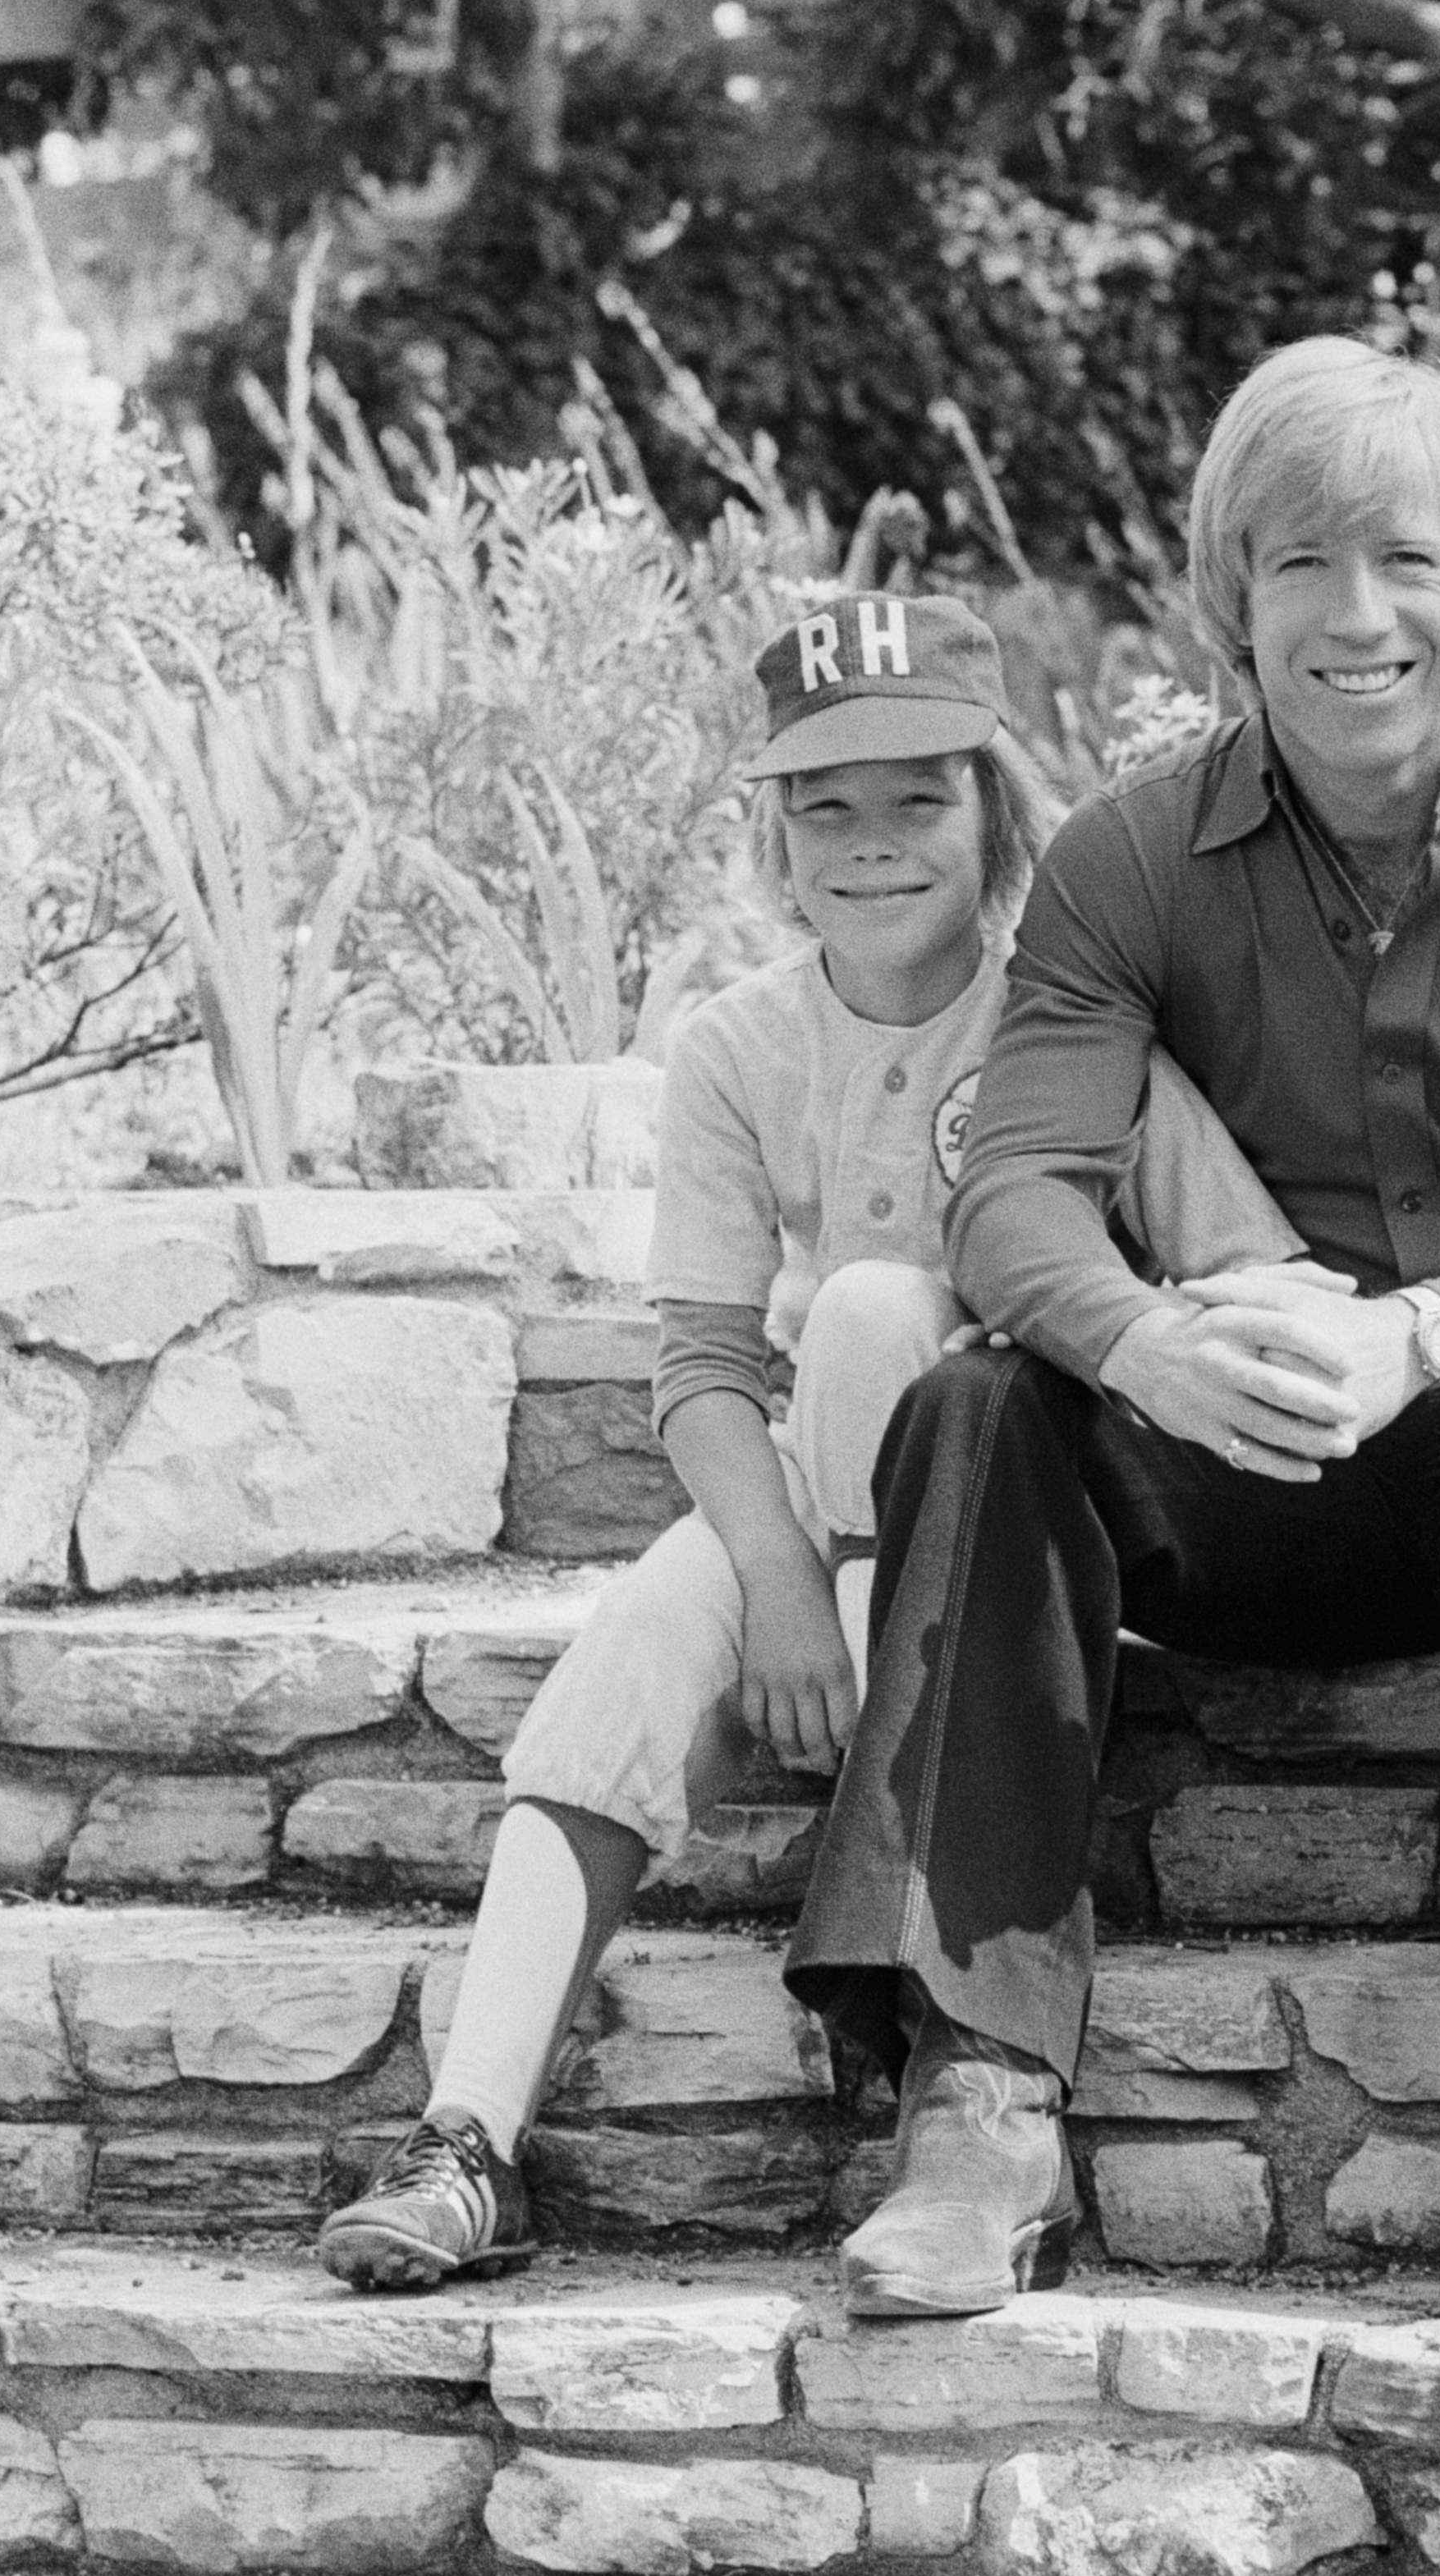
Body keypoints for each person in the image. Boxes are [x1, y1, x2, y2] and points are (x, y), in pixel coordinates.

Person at [784, 334, 1440, 2335]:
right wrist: (1139, 1344)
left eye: (1401, 557)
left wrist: (1432, 1338)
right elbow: (1017, 1191)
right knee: (977, 1406)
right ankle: (976, 2097)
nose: (1356, 615)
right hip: (1218, 1469)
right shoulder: (1125, 859)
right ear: (1229, 597)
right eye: (1298, 563)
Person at [316, 592, 1293, 2290]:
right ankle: (465, 2142)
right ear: (773, 833)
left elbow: (1244, 1273)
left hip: (991, 1561)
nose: (867, 845)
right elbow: (698, 1357)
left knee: (875, 1312)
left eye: (916, 798)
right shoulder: (737, 1045)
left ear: (997, 808)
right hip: (807, 1536)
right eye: (821, 807)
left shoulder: (1066, 1019)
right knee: (622, 1668)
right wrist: (772, 1576)